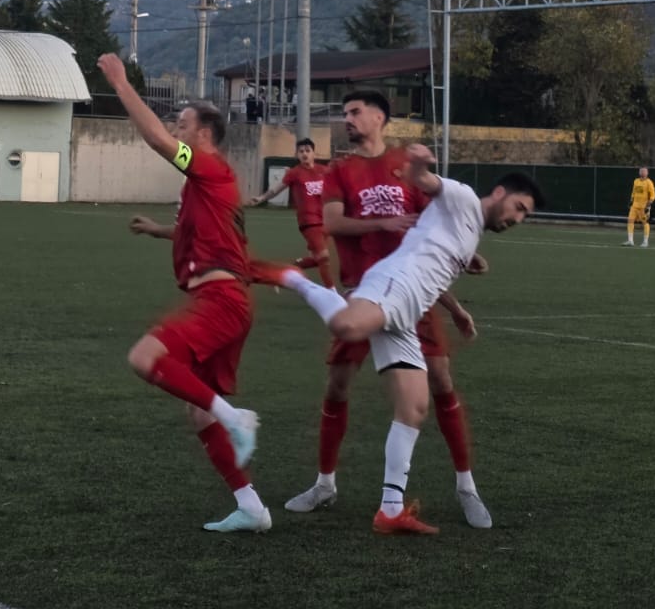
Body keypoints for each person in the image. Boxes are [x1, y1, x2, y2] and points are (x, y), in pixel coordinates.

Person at [272, 144, 543, 536]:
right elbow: (423, 181)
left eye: (525, 215)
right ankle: (292, 278)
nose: (518, 218)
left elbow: (431, 252)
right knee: (347, 327)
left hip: (409, 311)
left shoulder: (468, 232)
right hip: (392, 286)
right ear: (499, 193)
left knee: (414, 407)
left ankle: (390, 510)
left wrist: (457, 304)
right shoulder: (464, 197)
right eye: (519, 208)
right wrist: (419, 163)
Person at [96, 52, 270, 535]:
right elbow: (207, 236)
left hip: (222, 303)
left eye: (184, 123)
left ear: (204, 134)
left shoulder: (208, 167)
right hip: (226, 301)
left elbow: (156, 139)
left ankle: (236, 419)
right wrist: (159, 231)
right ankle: (251, 506)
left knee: (145, 357)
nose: (177, 127)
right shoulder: (206, 184)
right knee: (198, 412)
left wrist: (121, 83)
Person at [243, 138, 333, 287]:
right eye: (301, 151)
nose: (304, 154)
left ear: (314, 153)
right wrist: (262, 198)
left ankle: (285, 271)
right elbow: (276, 189)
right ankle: (332, 294)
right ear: (297, 154)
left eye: (308, 151)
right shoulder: (294, 173)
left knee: (317, 259)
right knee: (324, 257)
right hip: (309, 221)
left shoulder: (323, 171)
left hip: (325, 220)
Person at [626, 166, 655, 248]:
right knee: (630, 221)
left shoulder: (649, 182)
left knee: (645, 223)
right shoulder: (636, 181)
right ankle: (630, 241)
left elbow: (653, 195)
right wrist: (631, 200)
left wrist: (648, 205)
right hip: (635, 206)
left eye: (644, 171)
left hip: (643, 207)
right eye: (641, 171)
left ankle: (645, 242)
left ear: (647, 173)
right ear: (639, 172)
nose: (642, 172)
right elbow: (633, 192)